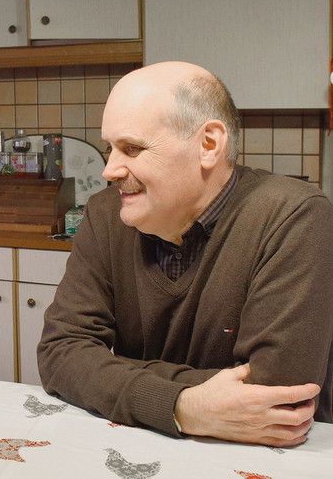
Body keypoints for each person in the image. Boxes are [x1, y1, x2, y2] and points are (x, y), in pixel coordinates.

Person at [37, 61, 333, 448]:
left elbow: (275, 395)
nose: (109, 169)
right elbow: (60, 353)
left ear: (208, 145)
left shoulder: (293, 215)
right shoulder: (106, 213)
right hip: (144, 444)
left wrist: (112, 376)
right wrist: (182, 405)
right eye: (111, 148)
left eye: (132, 148)